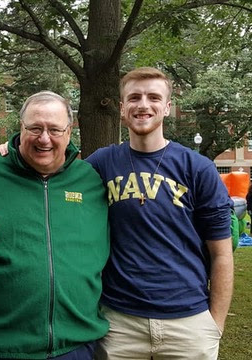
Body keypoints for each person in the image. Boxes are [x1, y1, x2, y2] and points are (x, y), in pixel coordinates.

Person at [87, 67, 234, 360]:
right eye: (134, 97)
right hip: (120, 322)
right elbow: (53, 172)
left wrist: (214, 325)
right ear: (121, 108)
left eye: (154, 97)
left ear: (167, 107)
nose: (143, 104)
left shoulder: (197, 168)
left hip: (188, 322)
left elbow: (221, 253)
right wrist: (12, 152)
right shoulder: (100, 164)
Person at [0, 91, 110, 359]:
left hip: (76, 346)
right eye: (35, 128)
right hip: (0, 348)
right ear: (20, 128)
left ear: (69, 132)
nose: (44, 138)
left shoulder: (90, 181)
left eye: (55, 129)